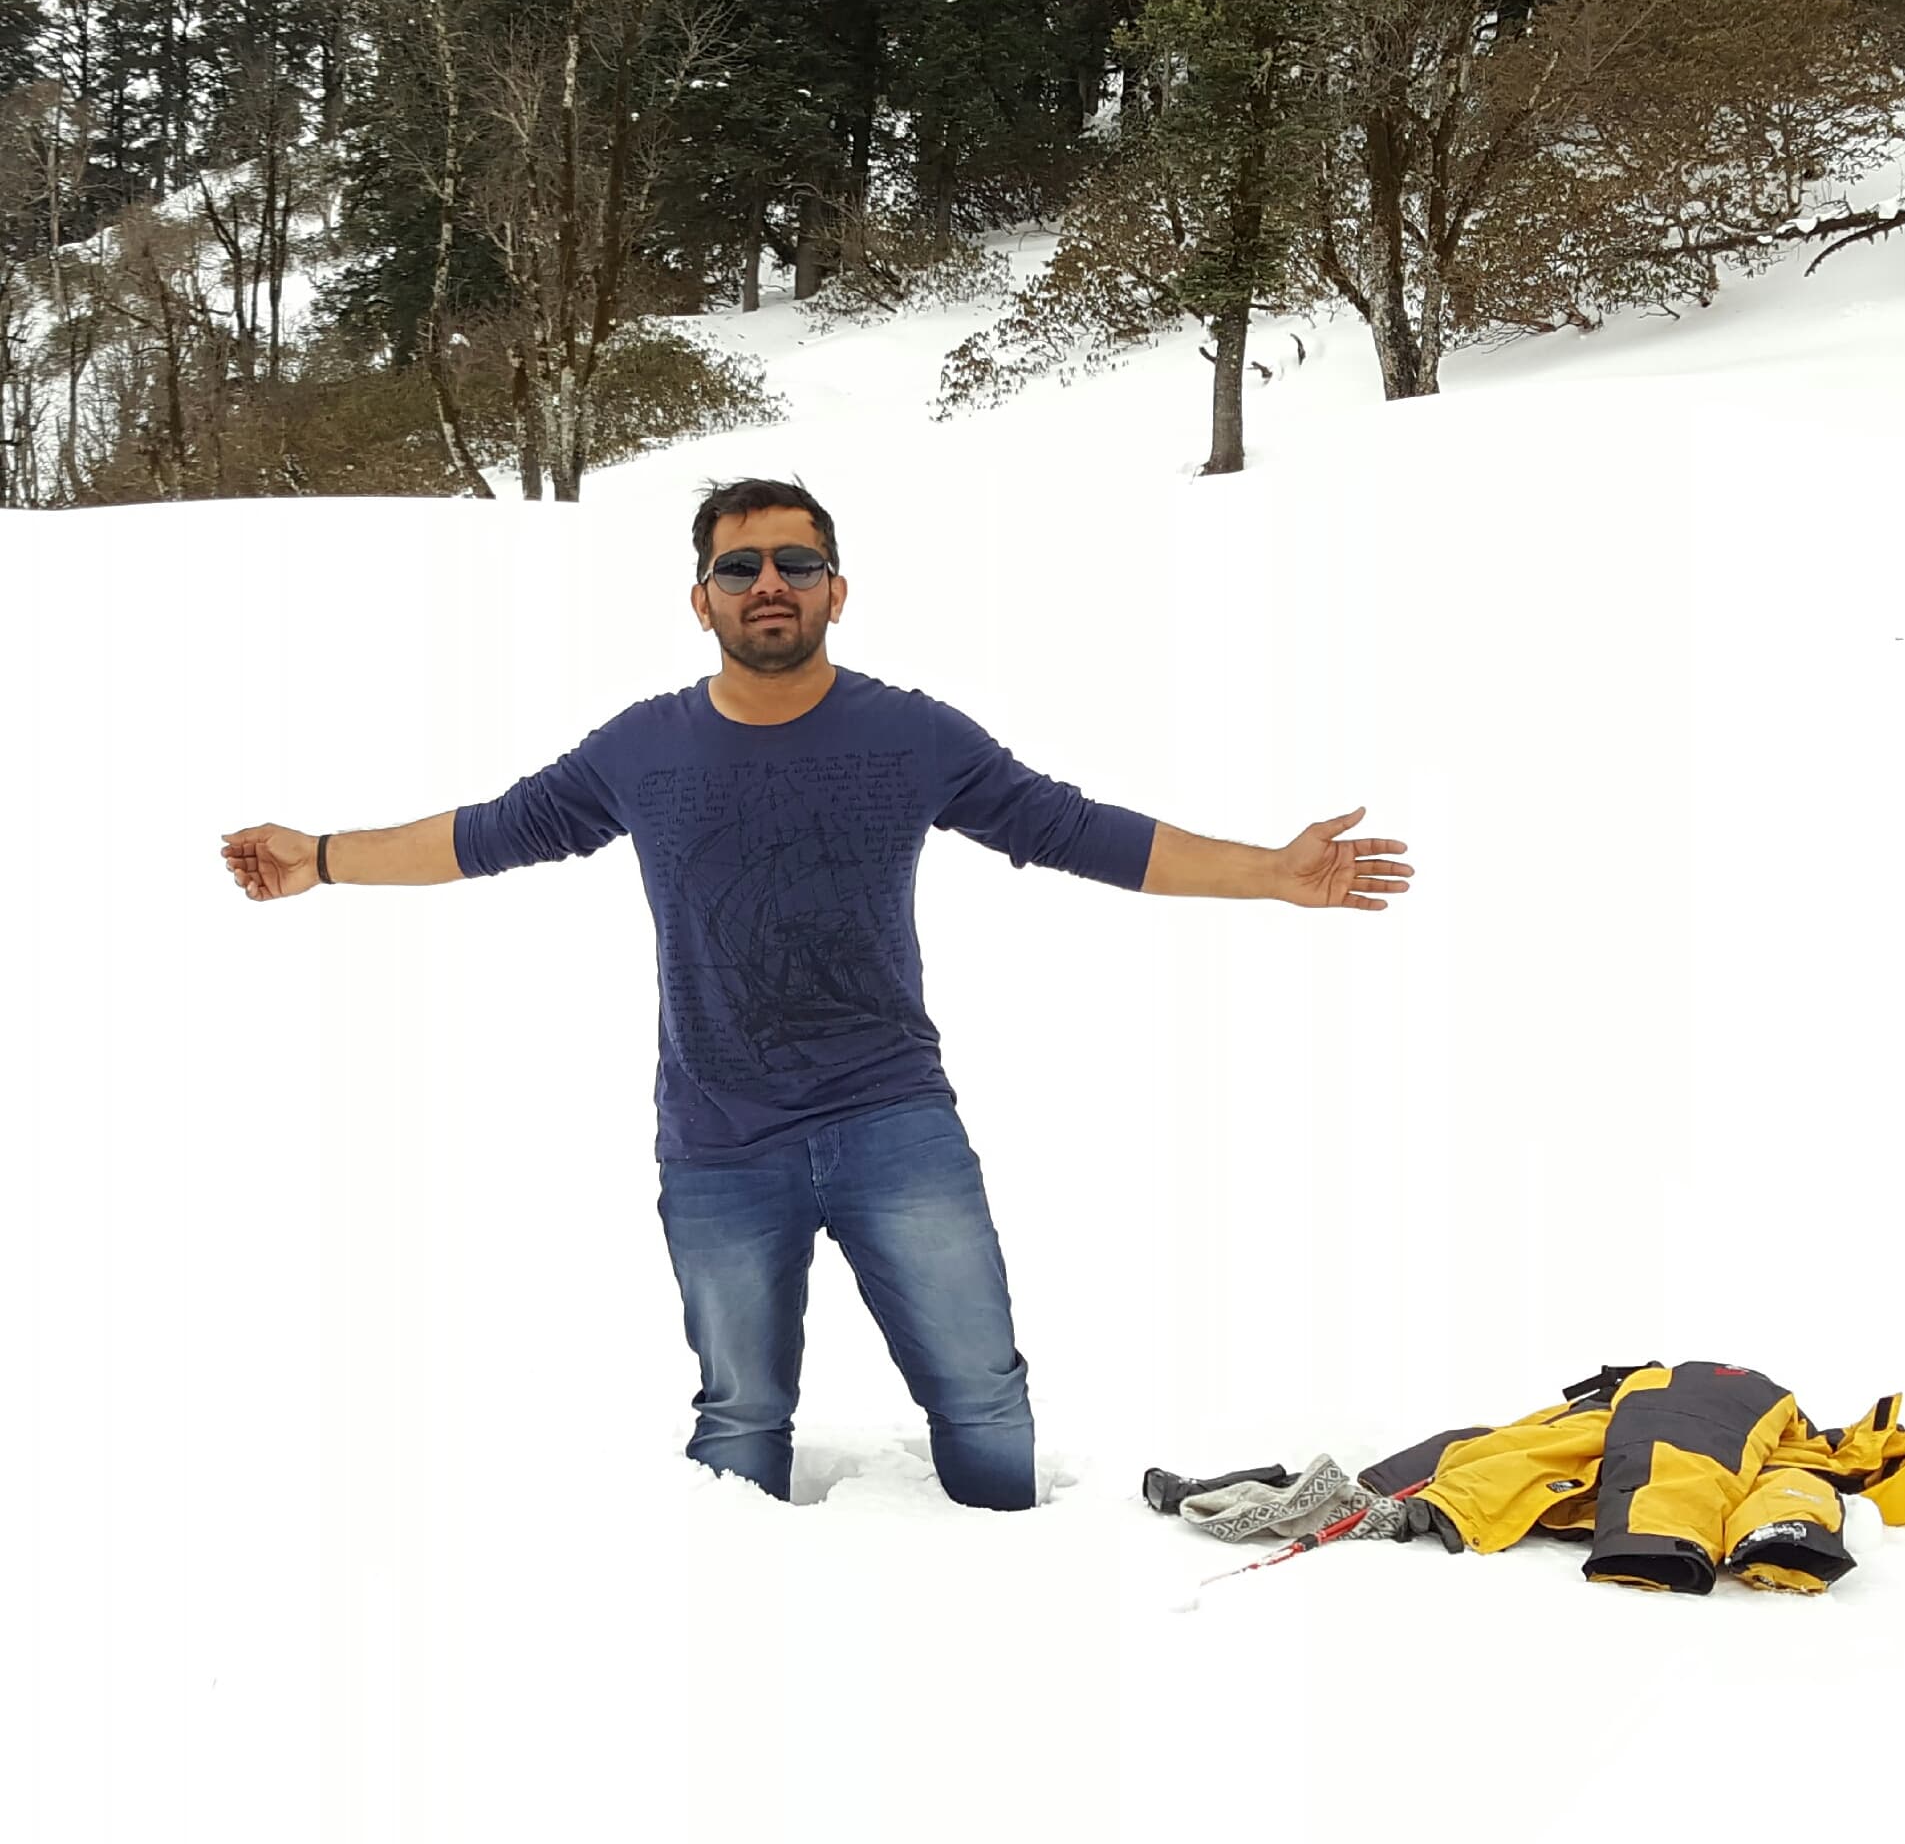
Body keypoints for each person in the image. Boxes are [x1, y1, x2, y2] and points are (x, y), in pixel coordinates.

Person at [221, 475, 1414, 1511]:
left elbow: (1069, 828)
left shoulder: (910, 735)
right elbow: (487, 832)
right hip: (715, 1136)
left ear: (836, 590)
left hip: (891, 1116)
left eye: (795, 563)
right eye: (737, 566)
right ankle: (737, 1621)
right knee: (739, 1412)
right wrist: (320, 855)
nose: (768, 583)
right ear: (700, 600)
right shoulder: (637, 750)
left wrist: (1269, 872)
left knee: (981, 1392)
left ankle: (1014, 1597)